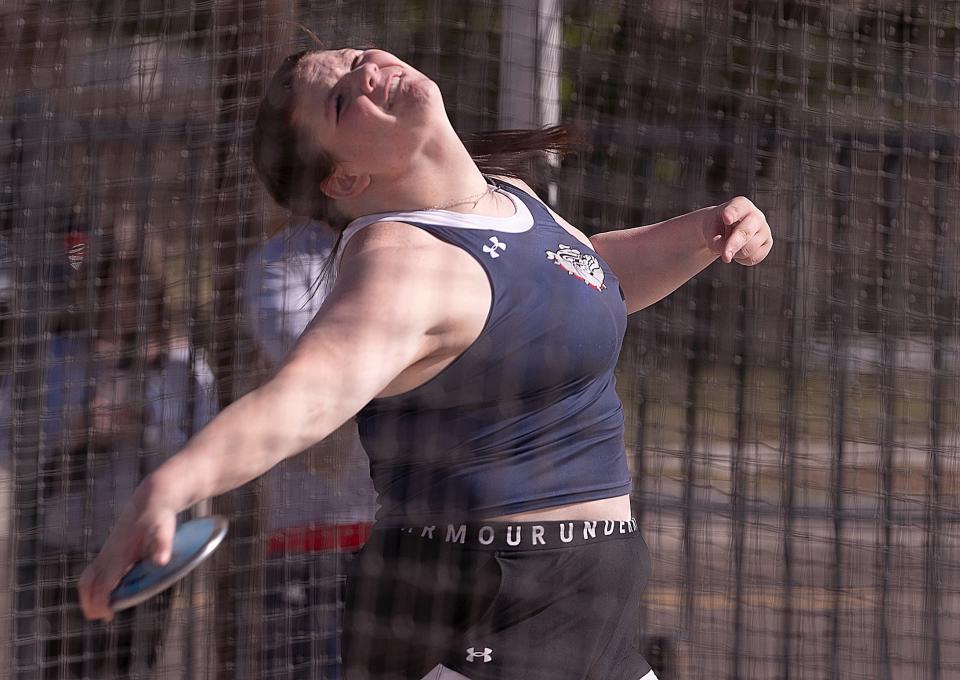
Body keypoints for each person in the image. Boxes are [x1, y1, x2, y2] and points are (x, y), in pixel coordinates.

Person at [78, 48, 773, 680]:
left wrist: (705, 234)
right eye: (345, 102)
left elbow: (581, 280)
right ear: (344, 176)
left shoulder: (510, 198)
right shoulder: (400, 262)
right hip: (477, 614)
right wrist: (170, 486)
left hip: (587, 610)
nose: (369, 73)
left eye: (354, 58)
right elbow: (307, 397)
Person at [40, 221, 217, 678]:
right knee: (65, 665)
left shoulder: (183, 363)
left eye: (132, 287)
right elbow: (10, 438)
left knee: (134, 665)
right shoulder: (56, 357)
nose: (119, 302)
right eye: (108, 286)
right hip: (65, 542)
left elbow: (208, 451)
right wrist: (75, 429)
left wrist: (146, 423)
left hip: (145, 547)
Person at [243, 218, 377, 679]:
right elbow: (302, 351)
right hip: (306, 522)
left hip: (389, 525)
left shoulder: (403, 236)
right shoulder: (286, 256)